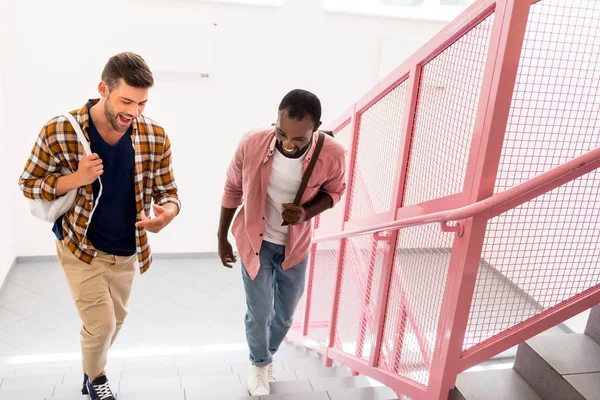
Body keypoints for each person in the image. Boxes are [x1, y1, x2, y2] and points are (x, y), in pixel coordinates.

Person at [18, 52, 181, 400]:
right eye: (125, 101)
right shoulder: (60, 129)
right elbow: (29, 184)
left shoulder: (154, 135)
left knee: (115, 323)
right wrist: (75, 178)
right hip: (80, 246)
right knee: (101, 324)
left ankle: (90, 368)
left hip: (127, 249)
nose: (133, 112)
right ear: (103, 89)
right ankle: (97, 379)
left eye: (141, 103)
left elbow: (169, 192)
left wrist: (168, 212)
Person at [218, 89, 347, 396]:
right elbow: (232, 189)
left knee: (284, 315)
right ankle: (260, 365)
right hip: (255, 242)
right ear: (275, 120)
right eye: (281, 133)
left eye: (299, 139)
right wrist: (221, 236)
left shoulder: (332, 154)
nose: (288, 144)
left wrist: (306, 213)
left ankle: (267, 355)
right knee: (259, 312)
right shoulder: (251, 143)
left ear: (315, 129)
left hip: (295, 246)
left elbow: (335, 191)